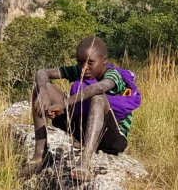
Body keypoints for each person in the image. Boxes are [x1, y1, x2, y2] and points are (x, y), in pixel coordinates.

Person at [20, 36, 141, 183]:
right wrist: (44, 93)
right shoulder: (81, 70)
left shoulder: (112, 75)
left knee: (97, 96)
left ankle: (84, 162)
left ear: (104, 60)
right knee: (39, 90)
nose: (84, 68)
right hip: (84, 129)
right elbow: (42, 72)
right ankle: (41, 155)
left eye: (90, 62)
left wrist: (64, 105)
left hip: (111, 138)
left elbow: (98, 88)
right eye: (80, 62)